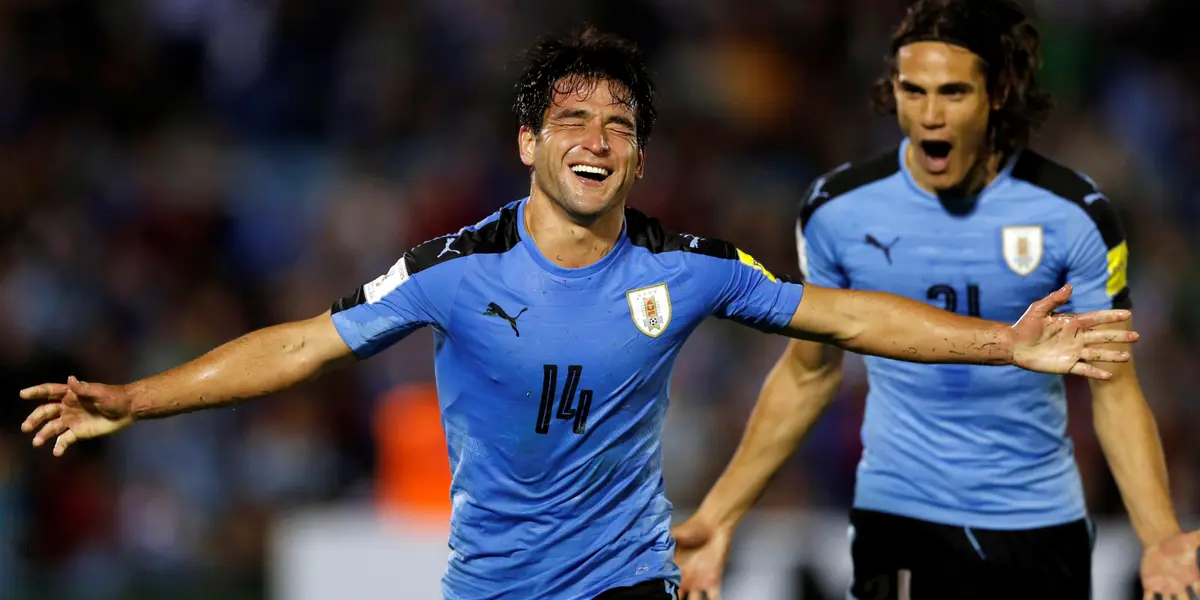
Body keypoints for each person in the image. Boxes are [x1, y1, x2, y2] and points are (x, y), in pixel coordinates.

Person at [19, 26, 1138, 600]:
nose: (595, 137)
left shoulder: (689, 266)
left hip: (628, 582)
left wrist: (1007, 341)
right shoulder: (454, 267)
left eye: (617, 123)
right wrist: (139, 398)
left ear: (640, 157)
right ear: (528, 143)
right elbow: (305, 343)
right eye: (572, 118)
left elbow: (843, 318)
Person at [670, 2, 1200, 600]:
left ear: (997, 91)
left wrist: (1158, 538)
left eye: (952, 92)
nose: (929, 116)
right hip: (899, 517)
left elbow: (1115, 389)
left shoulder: (1072, 214)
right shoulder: (838, 212)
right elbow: (807, 375)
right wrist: (717, 517)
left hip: (1036, 523)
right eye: (912, 91)